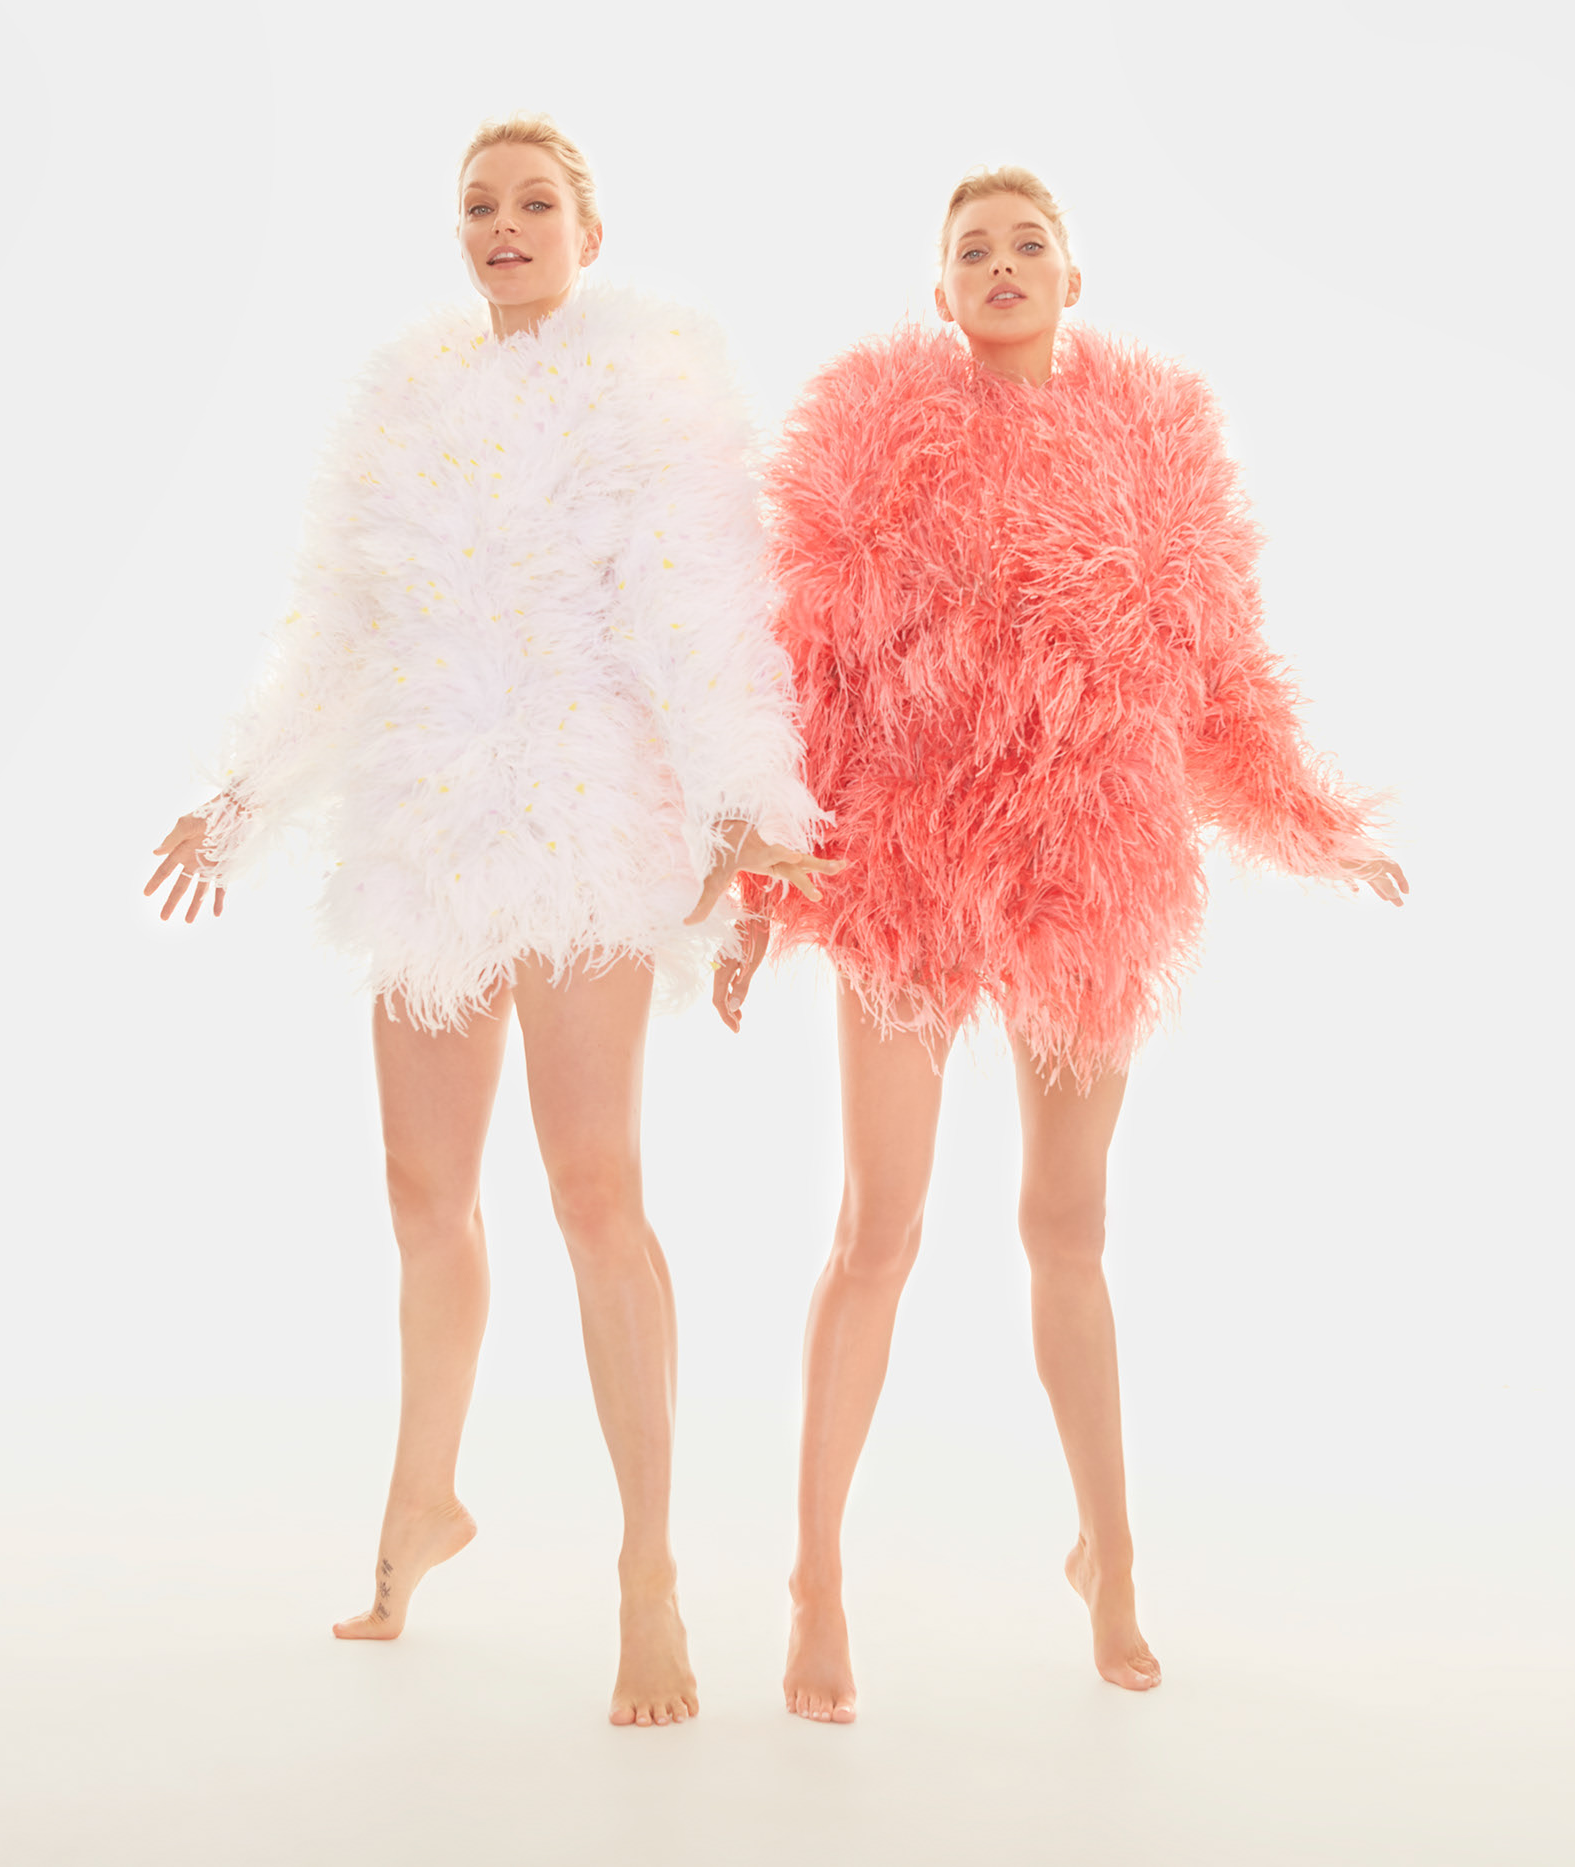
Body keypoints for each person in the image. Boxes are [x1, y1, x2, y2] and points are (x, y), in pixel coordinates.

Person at [143, 113, 833, 1727]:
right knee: (422, 1193)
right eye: (477, 205)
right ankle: (423, 1500)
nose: (502, 226)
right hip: (430, 832)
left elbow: (700, 608)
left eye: (533, 203)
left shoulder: (647, 386)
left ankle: (647, 1572)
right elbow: (342, 624)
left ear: (590, 228)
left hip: (585, 824)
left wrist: (746, 800)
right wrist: (242, 795)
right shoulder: (406, 395)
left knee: (595, 1192)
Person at [724, 166, 1405, 1723]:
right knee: (877, 1227)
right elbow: (806, 676)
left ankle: (1112, 1554)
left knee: (1067, 1227)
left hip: (1087, 870)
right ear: (940, 290)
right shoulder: (874, 439)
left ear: (1072, 279)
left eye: (1029, 243)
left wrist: (1318, 825)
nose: (1003, 263)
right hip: (906, 868)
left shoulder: (1156, 446)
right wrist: (763, 896)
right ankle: (815, 1577)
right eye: (973, 248)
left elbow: (1225, 682)